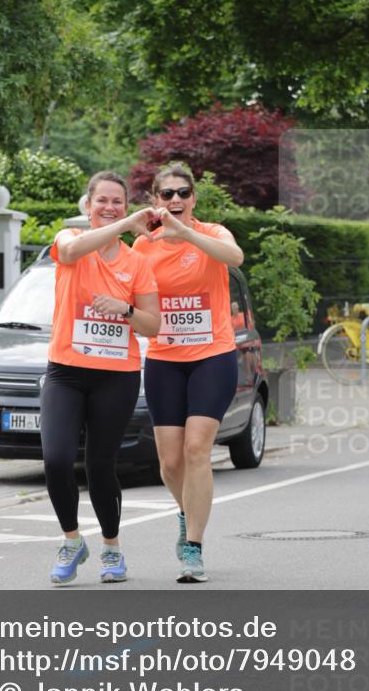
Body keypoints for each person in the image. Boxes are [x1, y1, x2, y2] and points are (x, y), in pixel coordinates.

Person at [41, 171, 160, 585]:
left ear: (126, 206)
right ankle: (72, 541)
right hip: (66, 372)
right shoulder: (67, 239)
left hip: (116, 375)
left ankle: (112, 548)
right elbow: (71, 254)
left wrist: (124, 310)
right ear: (87, 206)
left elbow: (152, 326)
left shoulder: (137, 263)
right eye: (102, 201)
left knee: (100, 465)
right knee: (56, 459)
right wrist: (126, 226)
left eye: (118, 202)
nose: (109, 207)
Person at [134, 164, 244, 583]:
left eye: (183, 193)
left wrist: (186, 234)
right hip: (164, 358)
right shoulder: (143, 247)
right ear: (155, 201)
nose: (175, 200)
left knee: (198, 449)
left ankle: (194, 548)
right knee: (170, 461)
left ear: (193, 199)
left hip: (212, 356)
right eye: (167, 195)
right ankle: (186, 513)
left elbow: (235, 258)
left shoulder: (213, 233)